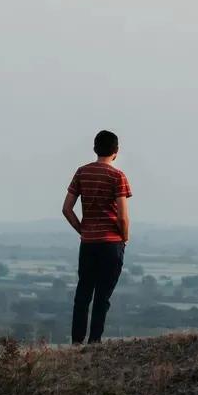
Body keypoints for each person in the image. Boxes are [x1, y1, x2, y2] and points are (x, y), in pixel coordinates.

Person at [62, 130, 132, 344]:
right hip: (111, 243)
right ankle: (94, 342)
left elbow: (67, 209)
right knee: (103, 296)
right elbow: (122, 216)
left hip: (89, 243)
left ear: (95, 149)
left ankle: (76, 341)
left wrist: (83, 230)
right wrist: (125, 237)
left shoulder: (82, 172)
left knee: (83, 294)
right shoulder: (118, 176)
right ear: (116, 151)